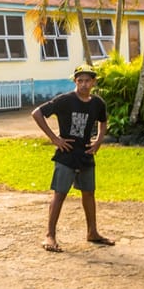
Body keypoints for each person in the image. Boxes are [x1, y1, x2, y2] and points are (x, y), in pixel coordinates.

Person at [32, 65, 114, 253]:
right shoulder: (65, 100)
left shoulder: (98, 103)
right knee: (59, 194)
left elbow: (103, 122)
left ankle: (92, 232)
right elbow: (37, 113)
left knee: (89, 192)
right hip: (66, 153)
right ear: (75, 82)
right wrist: (54, 138)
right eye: (80, 81)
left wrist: (98, 141)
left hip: (85, 153)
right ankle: (50, 235)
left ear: (94, 82)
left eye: (87, 81)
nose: (84, 84)